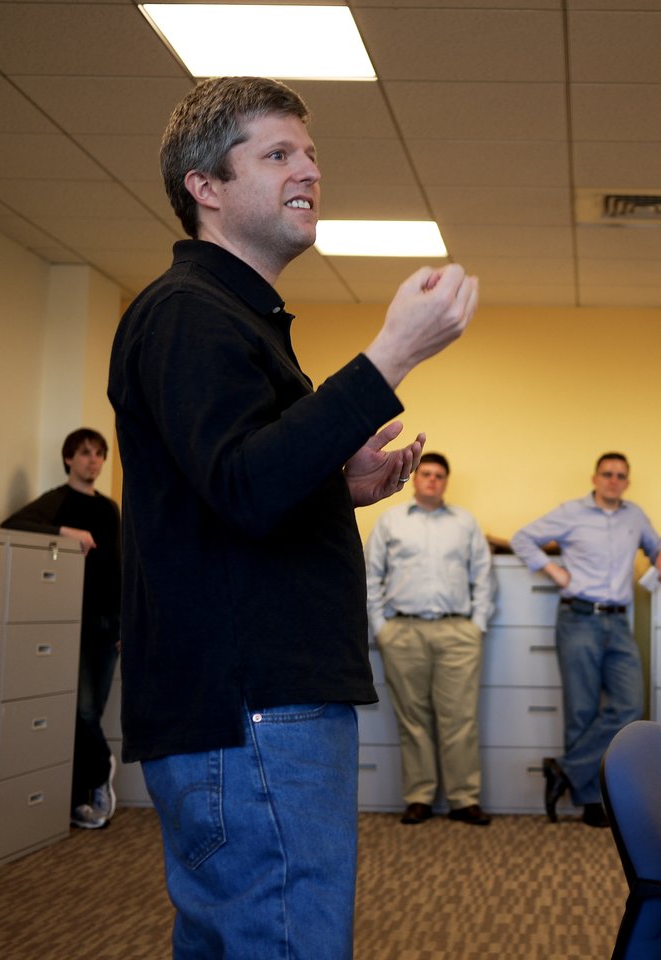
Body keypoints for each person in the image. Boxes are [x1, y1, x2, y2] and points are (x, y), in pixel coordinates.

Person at [107, 77, 477, 958]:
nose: (308, 170)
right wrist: (391, 355)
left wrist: (331, 484)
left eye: (310, 155)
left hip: (252, 712)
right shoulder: (189, 314)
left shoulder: (234, 318)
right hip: (253, 714)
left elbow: (241, 485)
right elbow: (242, 485)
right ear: (205, 186)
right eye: (278, 154)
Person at [511, 452, 661, 827]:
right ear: (595, 478)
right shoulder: (571, 512)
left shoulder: (635, 515)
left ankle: (565, 769)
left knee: (630, 705)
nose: (613, 480)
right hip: (579, 618)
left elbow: (658, 544)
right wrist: (553, 570)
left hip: (618, 623)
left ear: (627, 482)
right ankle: (590, 801)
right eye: (607, 474)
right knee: (582, 711)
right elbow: (523, 538)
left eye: (620, 475)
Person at [365, 452, 496, 826]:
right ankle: (419, 796)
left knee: (461, 718)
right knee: (413, 718)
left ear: (445, 481)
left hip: (457, 632)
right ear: (416, 478)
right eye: (426, 473)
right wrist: (382, 628)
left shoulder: (464, 523)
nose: (432, 480)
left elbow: (482, 575)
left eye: (439, 475)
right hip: (402, 632)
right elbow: (371, 576)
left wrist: (477, 624)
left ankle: (463, 798)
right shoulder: (391, 522)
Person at [2, 427, 121, 831]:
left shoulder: (109, 510)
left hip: (108, 625)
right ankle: (103, 769)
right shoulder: (58, 501)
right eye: (85, 453)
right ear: (69, 458)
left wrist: (125, 624)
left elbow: (120, 569)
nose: (93, 460)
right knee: (81, 710)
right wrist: (63, 533)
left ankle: (76, 800)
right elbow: (13, 524)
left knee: (89, 713)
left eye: (99, 454)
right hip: (72, 622)